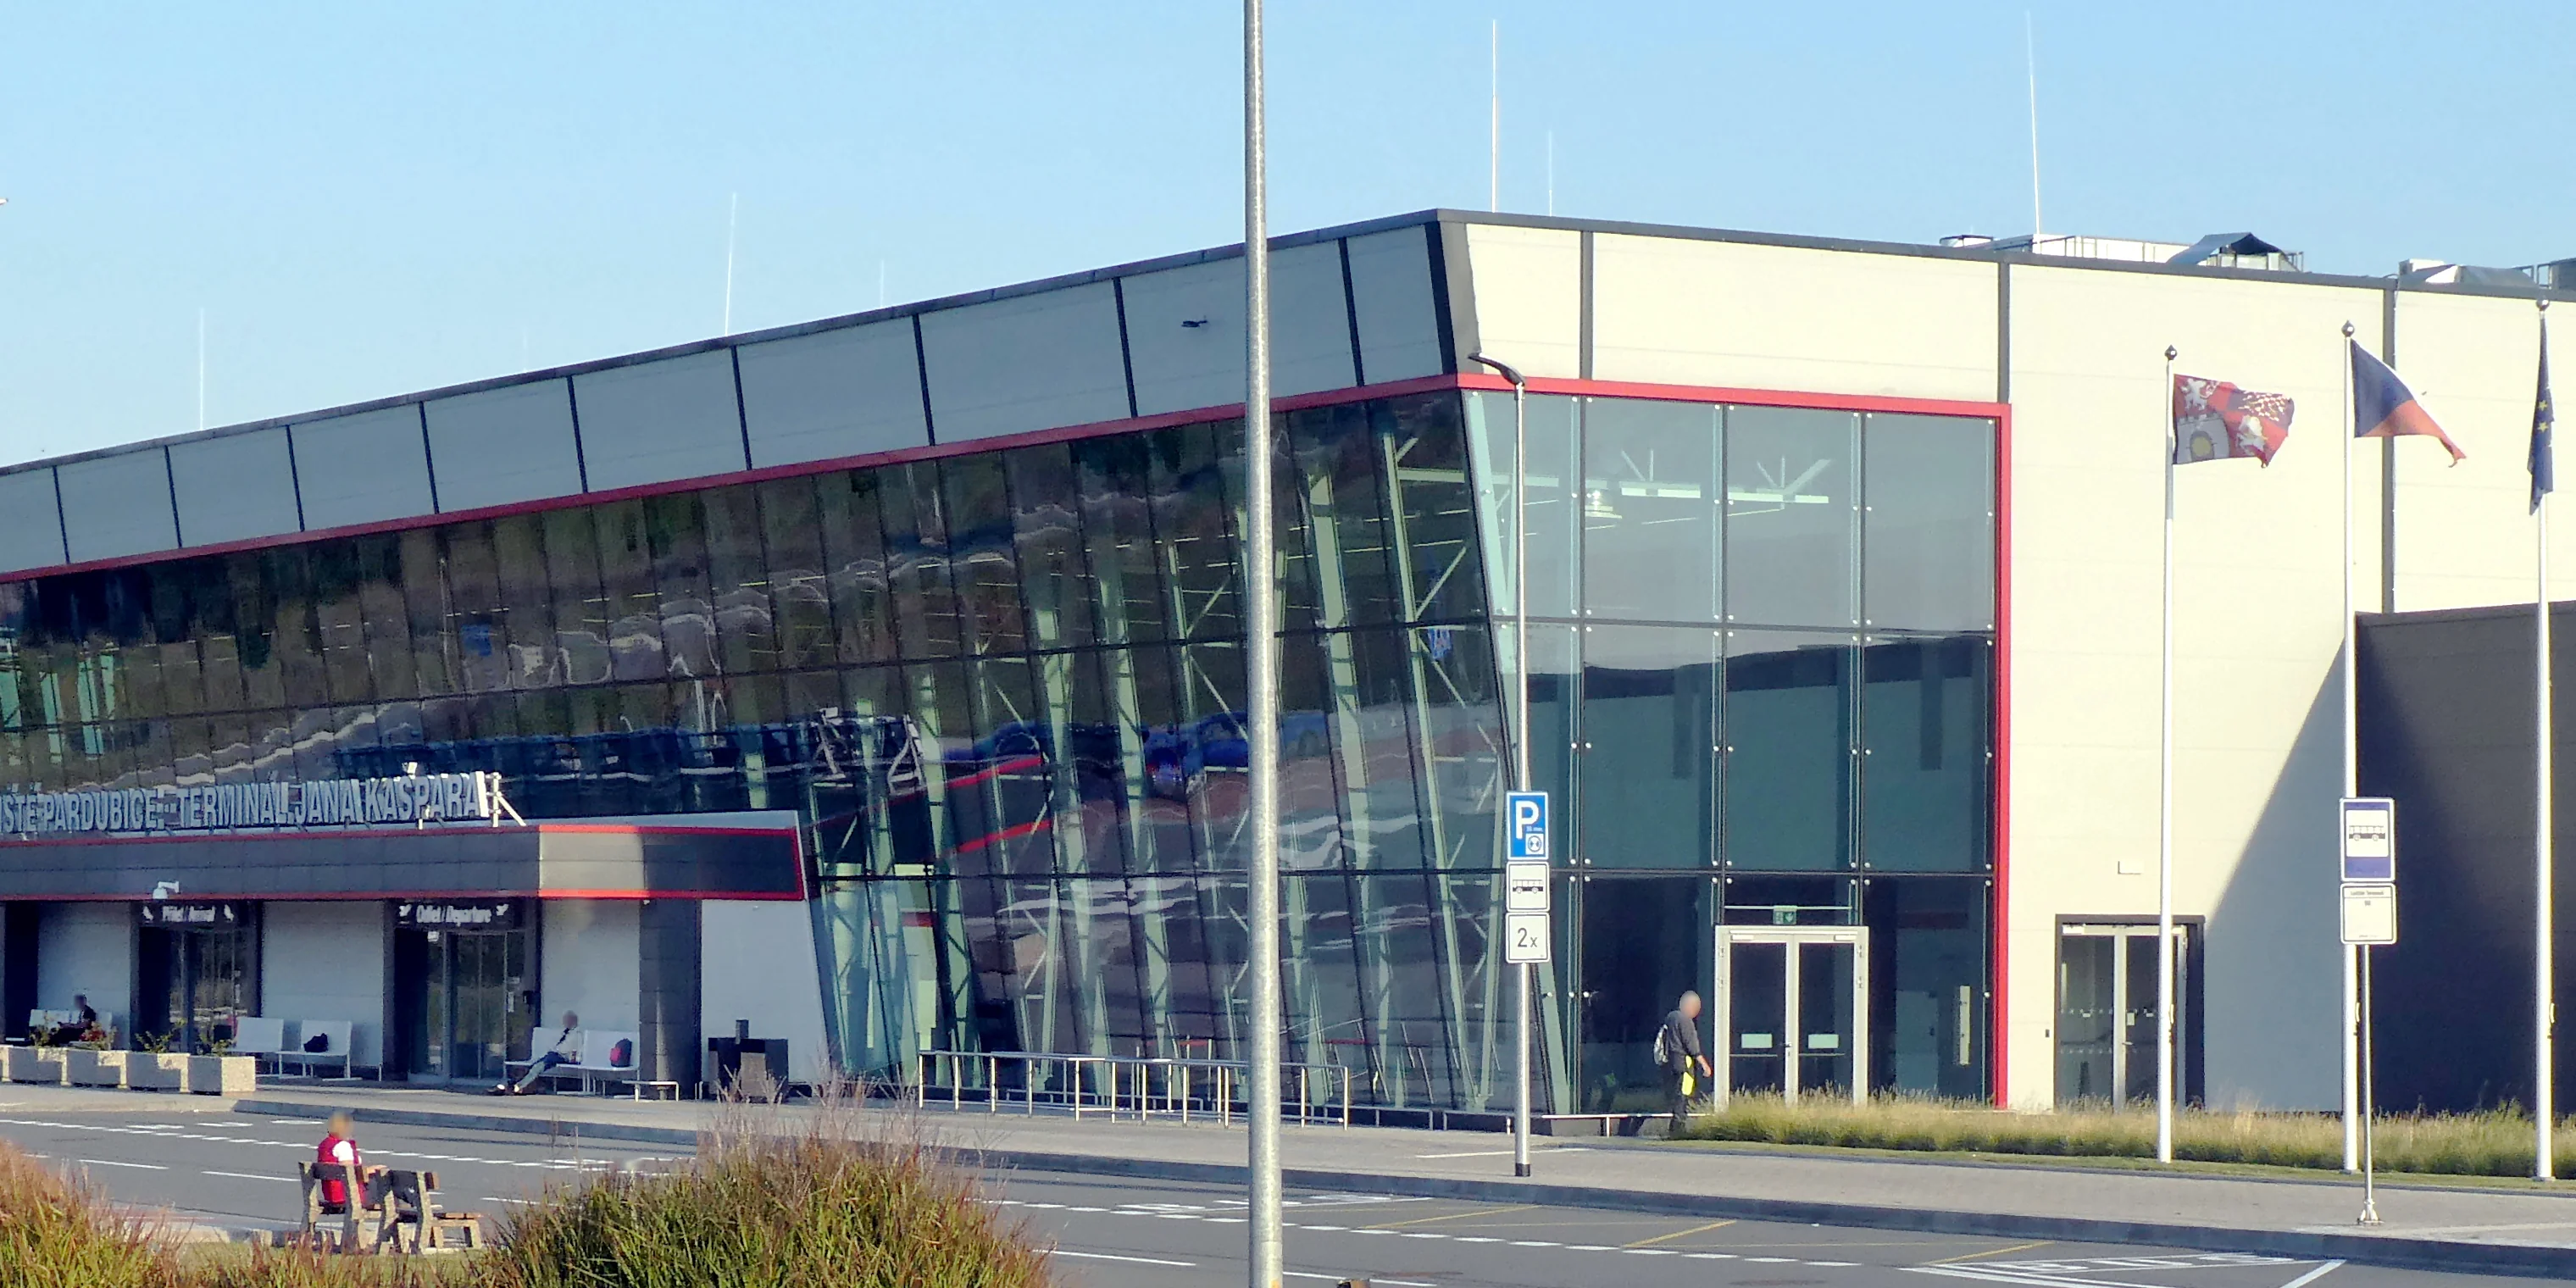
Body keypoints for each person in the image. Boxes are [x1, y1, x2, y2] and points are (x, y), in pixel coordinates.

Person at [1655, 991, 1713, 1133]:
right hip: (1683, 1062)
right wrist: (1704, 1065)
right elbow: (1691, 1045)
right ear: (1689, 1005)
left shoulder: (1671, 1017)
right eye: (1696, 1007)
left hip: (1670, 1061)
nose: (1697, 1012)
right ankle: (1678, 1128)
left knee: (1676, 1094)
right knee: (1684, 1094)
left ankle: (1675, 1126)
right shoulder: (1686, 1021)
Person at [497, 1012, 580, 1095]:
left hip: (562, 1057)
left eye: (566, 1020)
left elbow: (569, 1050)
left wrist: (556, 1051)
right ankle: (512, 1084)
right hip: (554, 1055)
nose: (564, 1022)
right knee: (533, 1067)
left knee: (538, 1067)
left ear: (572, 1021)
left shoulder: (576, 1034)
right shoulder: (565, 1032)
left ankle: (519, 1086)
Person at [314, 1112, 368, 1213]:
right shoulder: (343, 1146)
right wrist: (369, 1171)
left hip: (331, 1194)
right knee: (385, 1186)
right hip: (346, 1195)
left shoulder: (325, 1144)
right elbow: (349, 1171)